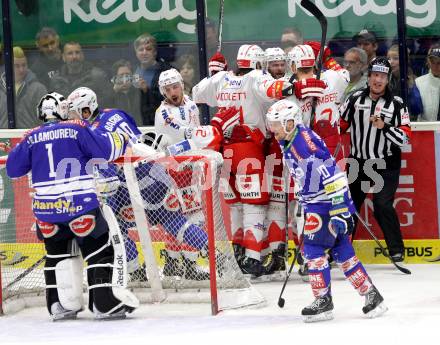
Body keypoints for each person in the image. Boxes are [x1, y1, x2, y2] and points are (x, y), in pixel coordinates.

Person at [193, 45, 326, 276]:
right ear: (258, 64)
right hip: (254, 148)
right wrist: (295, 86)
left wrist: (215, 74)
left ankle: (244, 255)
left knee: (239, 206)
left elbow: (196, 93)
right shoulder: (257, 77)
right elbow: (274, 88)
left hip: (224, 151)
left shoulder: (222, 78)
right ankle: (256, 257)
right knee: (262, 203)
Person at [6, 92, 138, 321]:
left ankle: (60, 305)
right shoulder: (76, 128)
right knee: (99, 252)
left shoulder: (30, 136)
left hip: (47, 212)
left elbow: (13, 169)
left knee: (56, 255)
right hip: (80, 206)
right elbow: (105, 151)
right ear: (63, 111)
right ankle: (104, 305)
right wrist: (122, 140)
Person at [67, 87, 212, 280]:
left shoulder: (93, 133)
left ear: (86, 110)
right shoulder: (116, 113)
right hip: (157, 174)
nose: (74, 118)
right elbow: (137, 136)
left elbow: (108, 170)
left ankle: (136, 270)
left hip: (129, 185)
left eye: (76, 112)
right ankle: (215, 253)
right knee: (174, 222)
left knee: (113, 226)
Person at [266, 98, 387, 322]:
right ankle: (371, 295)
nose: (273, 130)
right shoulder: (292, 139)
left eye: (276, 125)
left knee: (313, 250)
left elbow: (333, 174)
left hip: (325, 205)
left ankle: (323, 300)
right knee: (343, 252)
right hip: (322, 202)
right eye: (271, 125)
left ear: (290, 123)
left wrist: (339, 208)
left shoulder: (303, 144)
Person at [340, 57, 412, 262]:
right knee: (348, 207)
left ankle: (396, 249)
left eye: (382, 76)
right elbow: (339, 126)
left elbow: (405, 139)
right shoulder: (354, 99)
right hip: (358, 162)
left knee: (382, 205)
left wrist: (385, 127)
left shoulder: (397, 104)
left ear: (388, 79)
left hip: (385, 163)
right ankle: (342, 250)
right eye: (374, 75)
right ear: (368, 76)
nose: (378, 80)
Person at [153, 68, 209, 279]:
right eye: (168, 89)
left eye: (175, 86)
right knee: (187, 217)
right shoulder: (163, 112)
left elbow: (194, 132)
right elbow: (183, 133)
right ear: (163, 91)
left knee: (189, 216)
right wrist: (201, 138)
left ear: (181, 85)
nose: (173, 91)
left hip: (189, 168)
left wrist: (197, 143)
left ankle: (174, 260)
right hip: (172, 172)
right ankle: (184, 263)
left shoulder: (191, 104)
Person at [50, 41, 111, 106]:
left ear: (82, 55)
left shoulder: (97, 76)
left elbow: (108, 102)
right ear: (63, 57)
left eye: (77, 52)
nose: (74, 57)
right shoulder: (56, 79)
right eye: (70, 53)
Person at [0, 46, 47, 128]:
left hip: (30, 136)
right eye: (17, 66)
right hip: (4, 137)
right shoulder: (1, 89)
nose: (21, 69)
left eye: (24, 65)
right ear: (8, 66)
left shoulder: (38, 89)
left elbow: (44, 118)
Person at [133, 33, 171, 125]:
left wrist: (147, 91)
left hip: (160, 122)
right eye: (141, 49)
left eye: (148, 49)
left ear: (155, 52)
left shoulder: (166, 71)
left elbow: (170, 98)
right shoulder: (130, 71)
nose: (144, 52)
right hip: (137, 122)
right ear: (136, 53)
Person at [109, 59, 142, 125]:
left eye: (127, 75)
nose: (125, 79)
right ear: (115, 78)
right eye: (121, 76)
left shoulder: (138, 92)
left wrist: (145, 90)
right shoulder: (109, 93)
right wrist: (114, 91)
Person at [412, 45, 440, 121]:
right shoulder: (419, 83)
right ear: (428, 61)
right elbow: (415, 111)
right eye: (432, 62)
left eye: (439, 63)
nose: (435, 66)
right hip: (426, 130)